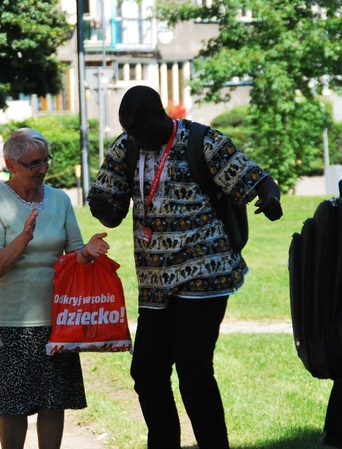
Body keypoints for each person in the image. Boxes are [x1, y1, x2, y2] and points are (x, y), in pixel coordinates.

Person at [88, 85, 283, 449]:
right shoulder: (127, 147)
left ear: (163, 116)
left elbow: (257, 178)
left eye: (144, 131)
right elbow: (110, 209)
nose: (139, 139)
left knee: (193, 369)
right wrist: (103, 206)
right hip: (155, 282)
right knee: (147, 372)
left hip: (205, 273)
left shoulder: (203, 141)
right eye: (132, 132)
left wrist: (270, 198)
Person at [0, 127, 109, 449]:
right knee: (14, 405)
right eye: (34, 163)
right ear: (11, 163)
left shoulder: (60, 200)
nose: (43, 169)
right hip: (13, 322)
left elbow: (74, 257)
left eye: (45, 161)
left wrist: (86, 253)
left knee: (54, 401)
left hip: (58, 318)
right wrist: (23, 238)